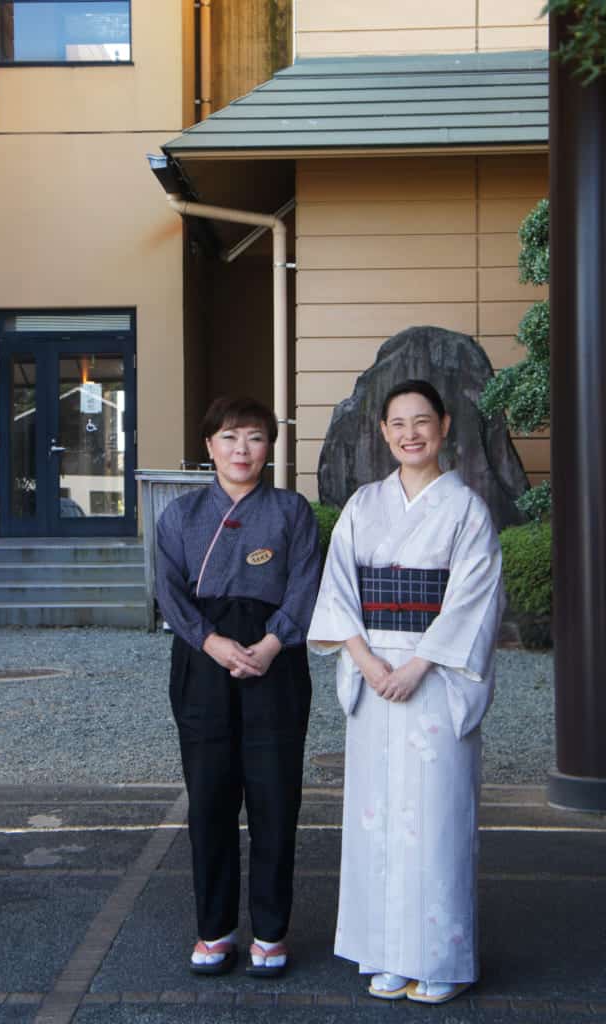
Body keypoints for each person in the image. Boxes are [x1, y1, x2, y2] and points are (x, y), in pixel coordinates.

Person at [307, 379, 504, 1005]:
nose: (410, 433)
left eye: (422, 421)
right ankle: (386, 951)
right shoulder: (364, 506)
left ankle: (440, 956)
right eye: (398, 423)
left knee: (438, 820)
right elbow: (338, 591)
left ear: (444, 426)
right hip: (374, 676)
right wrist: (365, 661)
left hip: (435, 679)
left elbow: (473, 601)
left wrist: (416, 667)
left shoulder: (467, 510)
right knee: (376, 822)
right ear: (384, 432)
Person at [156, 396, 321, 978]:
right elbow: (170, 593)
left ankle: (272, 931)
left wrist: (273, 643)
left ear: (270, 445)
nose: (241, 450)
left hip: (275, 658)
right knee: (211, 798)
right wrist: (212, 642)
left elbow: (305, 584)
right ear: (208, 447)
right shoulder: (179, 514)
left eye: (253, 437)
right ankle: (215, 928)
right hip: (204, 658)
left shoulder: (292, 510)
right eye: (228, 438)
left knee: (276, 797)